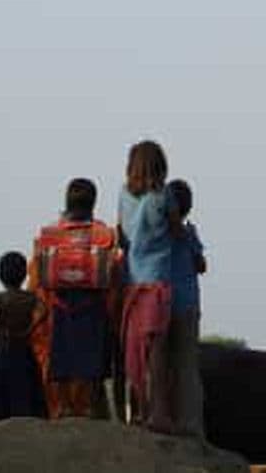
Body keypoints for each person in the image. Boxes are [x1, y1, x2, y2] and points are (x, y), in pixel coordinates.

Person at [29, 178, 117, 418]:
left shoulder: (50, 235)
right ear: (93, 203)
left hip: (60, 306)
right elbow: (114, 273)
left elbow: (37, 280)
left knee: (62, 360)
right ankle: (88, 407)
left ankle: (64, 407)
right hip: (94, 306)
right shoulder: (104, 234)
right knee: (92, 362)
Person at [117, 140, 179, 433]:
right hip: (158, 282)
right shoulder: (163, 195)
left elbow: (122, 236)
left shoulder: (123, 195)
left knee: (134, 351)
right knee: (157, 350)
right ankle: (160, 414)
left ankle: (138, 412)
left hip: (133, 282)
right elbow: (177, 229)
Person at [0, 251, 47, 423]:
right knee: (26, 386)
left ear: (1, 275)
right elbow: (44, 311)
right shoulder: (30, 297)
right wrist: (30, 329)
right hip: (23, 347)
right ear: (24, 274)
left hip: (3, 346)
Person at [167, 179, 206, 437]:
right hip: (189, 305)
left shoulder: (158, 235)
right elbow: (202, 265)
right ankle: (191, 423)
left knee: (160, 365)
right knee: (188, 367)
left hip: (161, 304)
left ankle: (163, 418)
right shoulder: (189, 234)